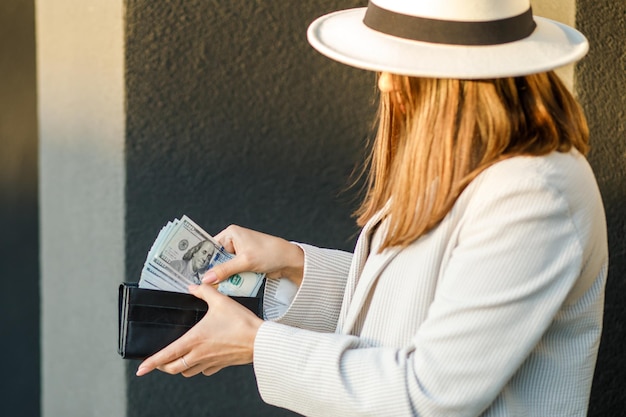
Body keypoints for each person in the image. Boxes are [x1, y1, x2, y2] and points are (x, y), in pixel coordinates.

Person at [136, 1, 608, 415]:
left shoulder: (533, 195)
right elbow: (421, 309)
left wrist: (258, 344)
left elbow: (429, 396)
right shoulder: (474, 165)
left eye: (398, 64)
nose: (383, 83)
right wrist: (294, 265)